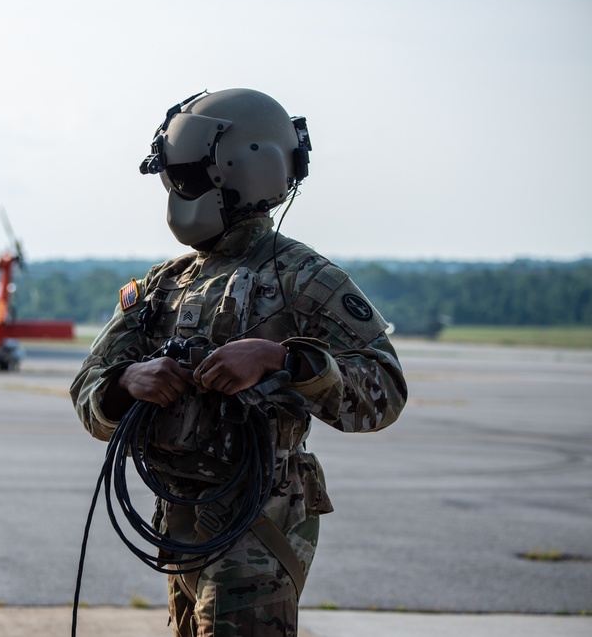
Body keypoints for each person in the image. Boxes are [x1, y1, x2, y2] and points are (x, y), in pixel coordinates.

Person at [70, 88, 407, 637]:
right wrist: (130, 381)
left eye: (190, 178)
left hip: (260, 519)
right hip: (178, 519)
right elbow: (88, 392)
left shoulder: (303, 279)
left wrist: (283, 360)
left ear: (240, 173)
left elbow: (385, 392)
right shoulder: (163, 285)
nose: (181, 192)